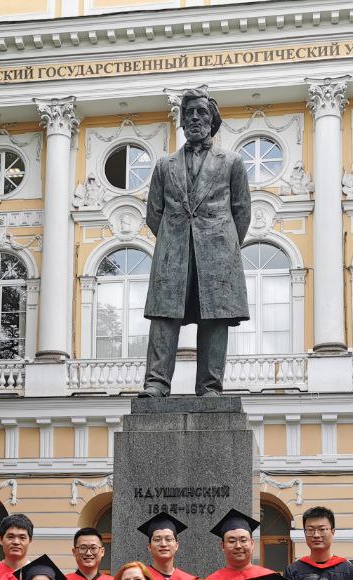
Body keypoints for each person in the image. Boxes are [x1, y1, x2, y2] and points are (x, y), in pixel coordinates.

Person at [141, 90, 251, 398]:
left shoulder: (232, 163)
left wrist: (222, 244)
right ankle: (156, 384)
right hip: (172, 252)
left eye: (201, 113)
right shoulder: (164, 166)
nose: (194, 118)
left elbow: (241, 213)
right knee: (164, 317)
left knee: (214, 318)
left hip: (217, 251)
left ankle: (210, 386)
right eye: (189, 113)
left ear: (213, 122)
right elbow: (154, 215)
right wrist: (173, 241)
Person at [283, 507, 353, 580]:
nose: (316, 535)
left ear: (332, 532)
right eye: (310, 530)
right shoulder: (293, 571)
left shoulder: (347, 569)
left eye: (322, 529)